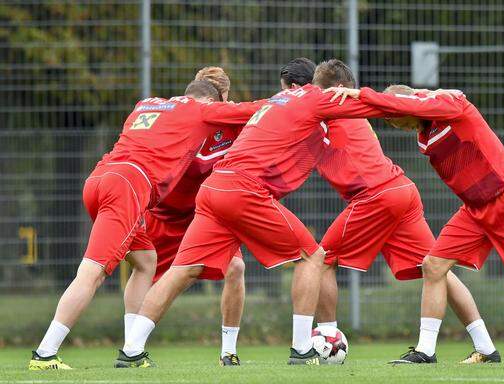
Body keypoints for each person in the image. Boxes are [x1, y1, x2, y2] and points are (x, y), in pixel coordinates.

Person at [120, 59, 399, 366]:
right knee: (312, 257)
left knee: (182, 270)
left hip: (214, 189)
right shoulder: (314, 99)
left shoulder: (277, 102)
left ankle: (131, 349)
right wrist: (425, 102)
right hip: (245, 190)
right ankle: (302, 348)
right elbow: (376, 107)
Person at [327, 84, 504, 363]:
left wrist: (365, 94)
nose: (390, 121)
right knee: (433, 266)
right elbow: (416, 105)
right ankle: (438, 351)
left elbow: (424, 102)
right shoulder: (424, 131)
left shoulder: (450, 104)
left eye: (391, 114)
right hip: (475, 209)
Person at [29, 80, 263, 370]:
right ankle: (45, 353)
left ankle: (132, 350)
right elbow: (259, 110)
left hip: (99, 179)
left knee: (145, 260)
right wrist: (304, 96)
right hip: (127, 186)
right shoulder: (201, 110)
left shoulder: (147, 104)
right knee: (92, 272)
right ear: (211, 101)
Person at [281, 58, 500, 364]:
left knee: (322, 259)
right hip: (400, 191)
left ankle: (327, 336)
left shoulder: (325, 107)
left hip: (376, 196)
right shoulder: (342, 111)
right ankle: (486, 347)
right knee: (436, 269)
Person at [125, 67, 246, 367]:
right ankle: (132, 347)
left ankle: (228, 351)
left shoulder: (234, 121)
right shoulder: (179, 115)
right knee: (145, 272)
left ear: (226, 96)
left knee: (236, 267)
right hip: (163, 213)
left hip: (206, 214)